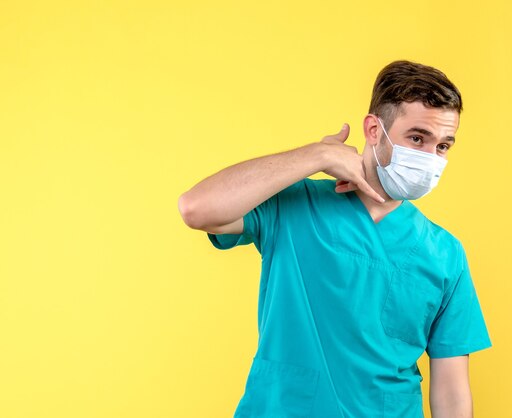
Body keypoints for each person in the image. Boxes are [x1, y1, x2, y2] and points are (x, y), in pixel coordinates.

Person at [178, 60, 492, 418]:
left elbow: (452, 393)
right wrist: (317, 155)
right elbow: (196, 208)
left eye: (443, 146)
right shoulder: (295, 205)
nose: (429, 158)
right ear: (374, 130)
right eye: (417, 138)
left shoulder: (444, 254)